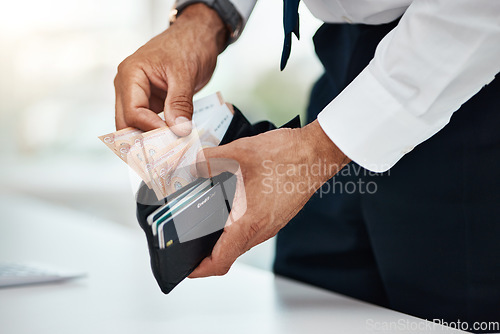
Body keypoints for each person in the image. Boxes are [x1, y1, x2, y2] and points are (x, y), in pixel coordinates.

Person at [114, 0, 500, 331]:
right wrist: (206, 16)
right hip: (339, 77)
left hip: (465, 89)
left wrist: (314, 153)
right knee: (309, 302)